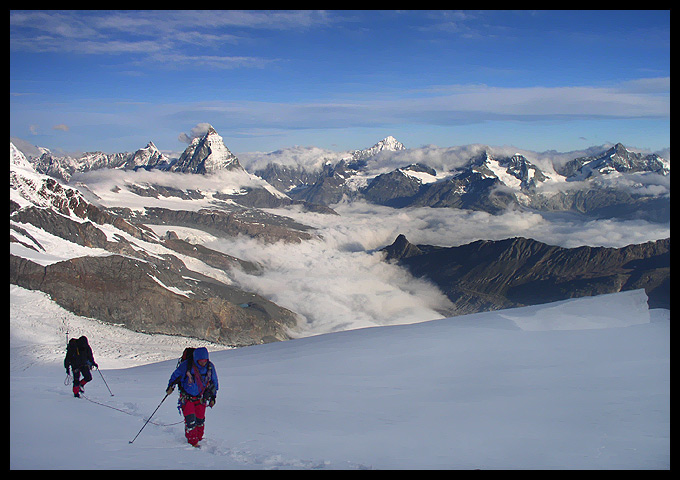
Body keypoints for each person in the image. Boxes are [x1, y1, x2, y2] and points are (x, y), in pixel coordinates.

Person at [166, 347, 219, 447]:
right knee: (190, 420)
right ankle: (193, 442)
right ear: (196, 359)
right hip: (186, 398)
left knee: (200, 419)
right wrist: (170, 387)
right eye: (201, 361)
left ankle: (199, 437)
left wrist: (213, 397)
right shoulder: (186, 366)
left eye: (205, 361)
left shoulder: (210, 367)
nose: (203, 363)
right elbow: (175, 376)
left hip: (201, 397)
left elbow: (214, 382)